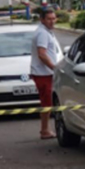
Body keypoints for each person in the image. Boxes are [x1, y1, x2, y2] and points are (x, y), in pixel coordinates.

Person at [31, 8, 60, 139]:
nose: (52, 21)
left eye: (54, 18)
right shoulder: (42, 33)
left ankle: (45, 129)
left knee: (47, 102)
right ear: (42, 19)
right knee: (46, 103)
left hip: (45, 73)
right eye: (49, 19)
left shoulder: (47, 32)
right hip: (43, 74)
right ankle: (44, 130)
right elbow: (42, 54)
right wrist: (54, 68)